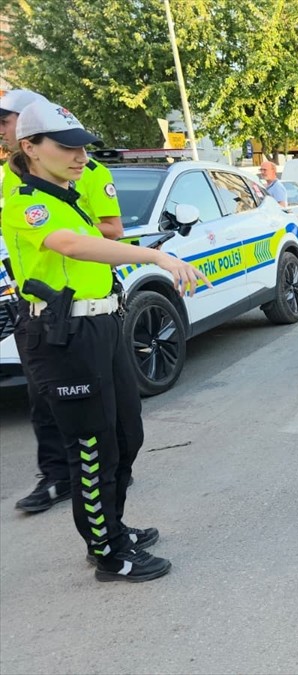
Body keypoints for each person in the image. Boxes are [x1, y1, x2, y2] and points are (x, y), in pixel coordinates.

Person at [1, 100, 209, 582]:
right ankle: (108, 553)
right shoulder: (25, 203)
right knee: (92, 447)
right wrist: (154, 257)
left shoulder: (70, 195)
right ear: (30, 148)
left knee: (125, 433)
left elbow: (101, 239)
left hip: (101, 325)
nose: (80, 156)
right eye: (66, 147)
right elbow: (74, 245)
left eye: (82, 147)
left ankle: (113, 527)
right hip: (63, 335)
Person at [1, 89, 126, 514]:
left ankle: (109, 516)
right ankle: (69, 491)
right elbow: (44, 234)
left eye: (7, 120)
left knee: (112, 430)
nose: (3, 129)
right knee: (61, 417)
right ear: (30, 148)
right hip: (48, 315)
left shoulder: (80, 177)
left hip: (91, 314)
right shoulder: (18, 188)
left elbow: (107, 231)